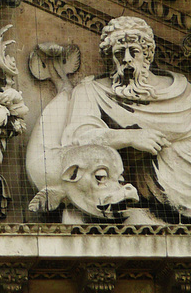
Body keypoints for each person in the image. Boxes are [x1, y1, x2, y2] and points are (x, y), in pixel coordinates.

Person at [62, 16, 191, 222]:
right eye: (119, 53)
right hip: (141, 188)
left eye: (134, 51)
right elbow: (80, 141)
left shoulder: (184, 92)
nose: (127, 59)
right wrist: (131, 137)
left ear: (147, 55)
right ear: (110, 59)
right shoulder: (92, 90)